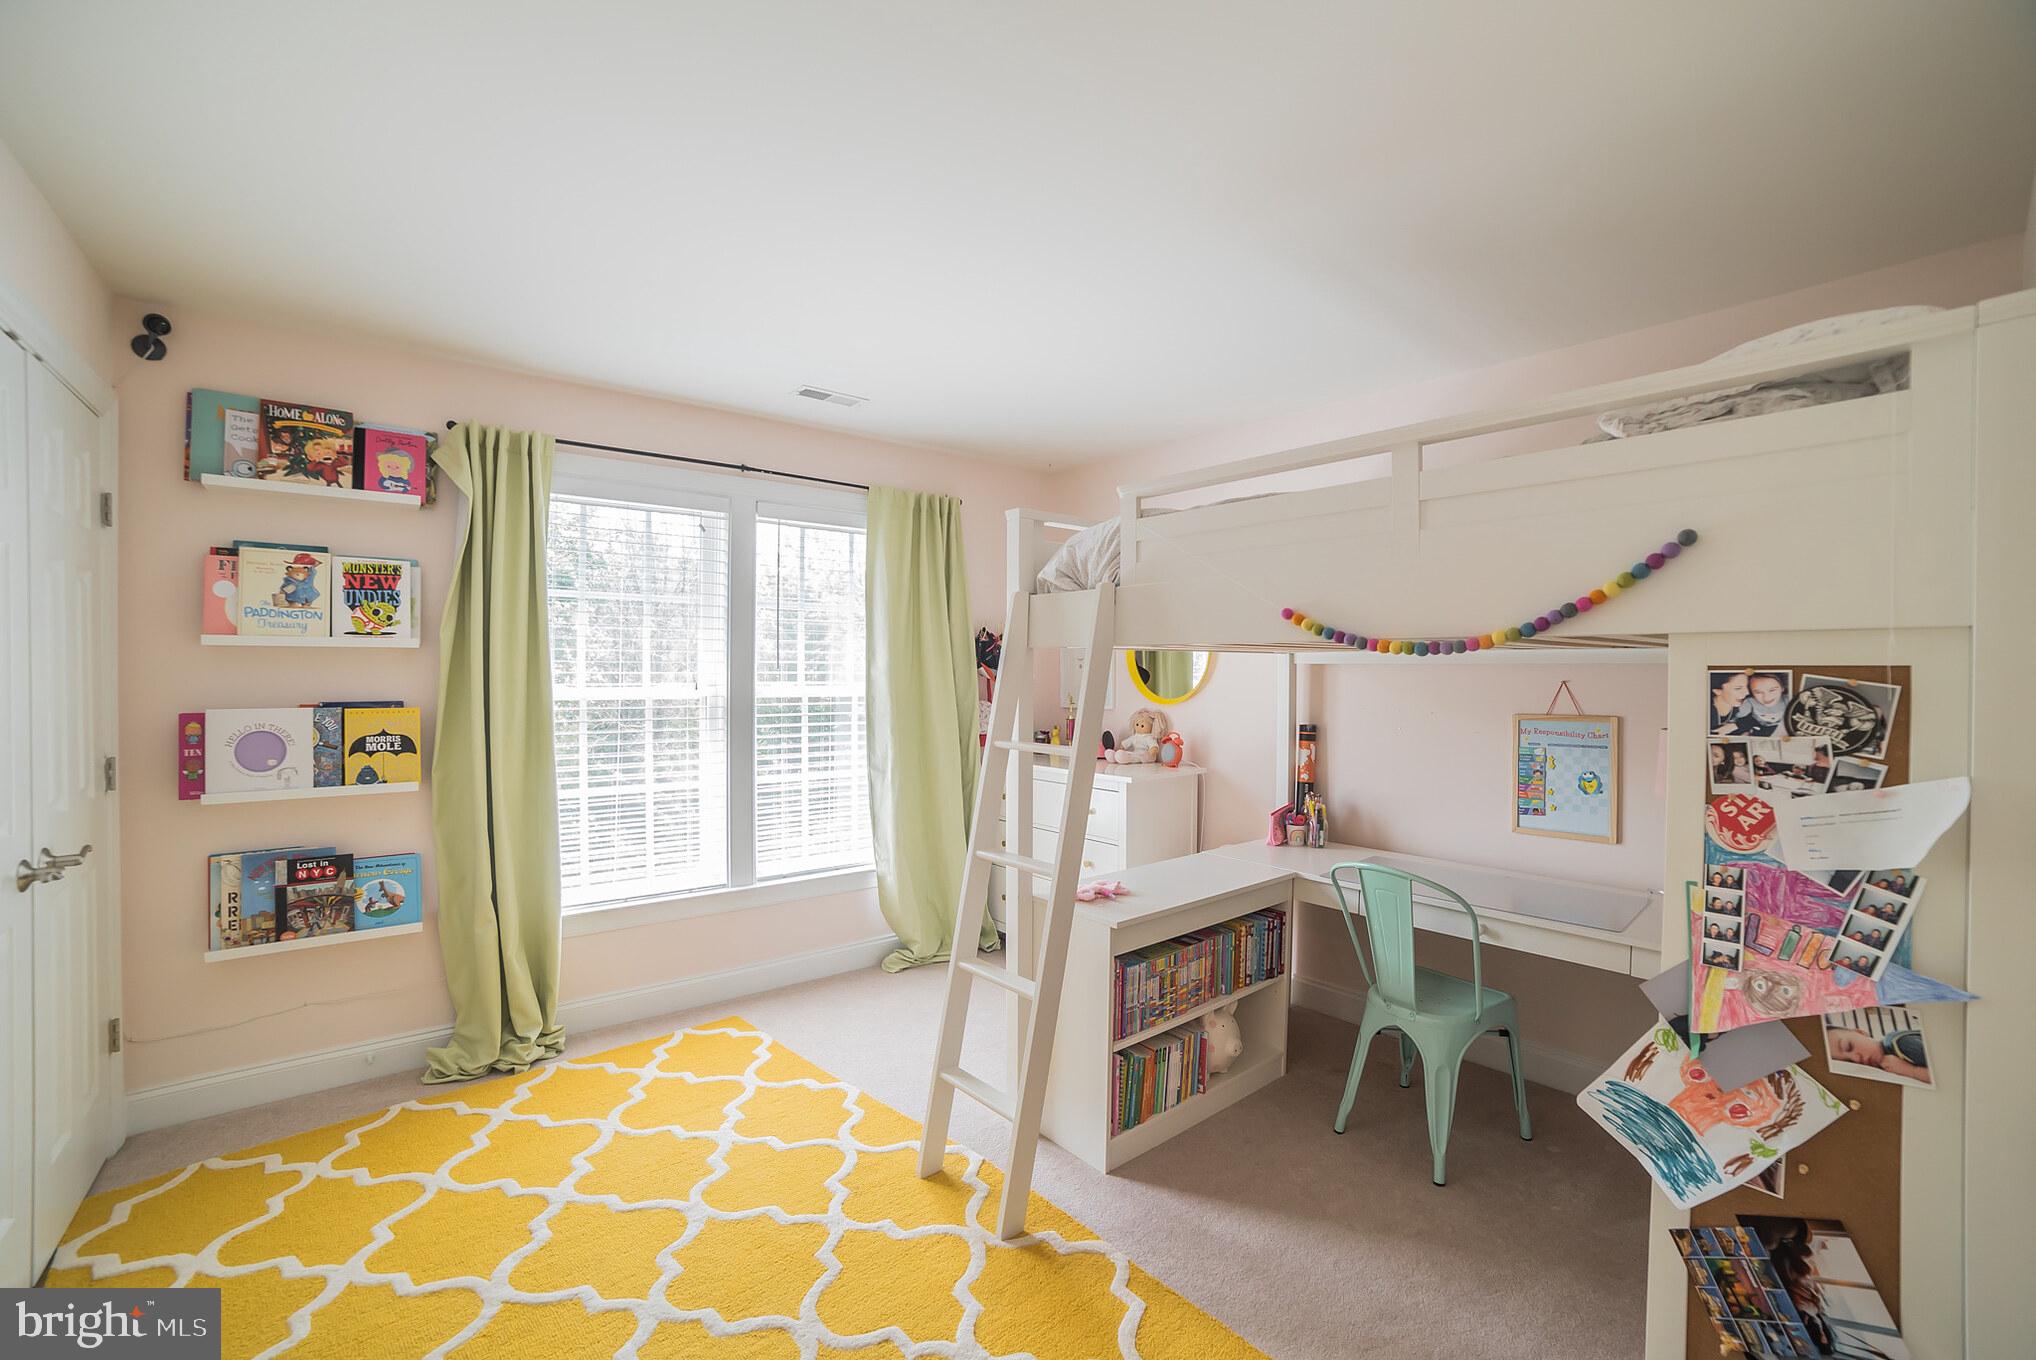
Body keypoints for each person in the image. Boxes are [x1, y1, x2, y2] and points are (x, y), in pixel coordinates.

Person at [1827, 1024, 1930, 1083]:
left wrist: (1911, 1071)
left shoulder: (1900, 1044)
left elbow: (1944, 1071)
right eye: (1848, 1062)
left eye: (1849, 1046)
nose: (1856, 1059)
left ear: (1860, 1032)